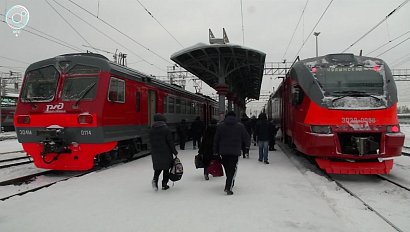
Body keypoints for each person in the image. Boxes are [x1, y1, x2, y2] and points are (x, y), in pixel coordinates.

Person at [213, 111, 250, 195]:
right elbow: (246, 137)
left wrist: (215, 151)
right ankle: (228, 186)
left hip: (223, 151)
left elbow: (216, 140)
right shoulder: (240, 126)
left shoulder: (220, 126)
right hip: (235, 151)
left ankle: (229, 181)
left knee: (227, 168)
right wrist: (247, 147)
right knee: (232, 169)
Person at [149, 113, 178, 191]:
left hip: (155, 152)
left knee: (157, 168)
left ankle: (155, 181)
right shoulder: (166, 129)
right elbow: (170, 142)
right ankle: (164, 184)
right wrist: (174, 151)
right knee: (166, 168)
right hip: (166, 152)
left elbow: (150, 141)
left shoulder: (152, 129)